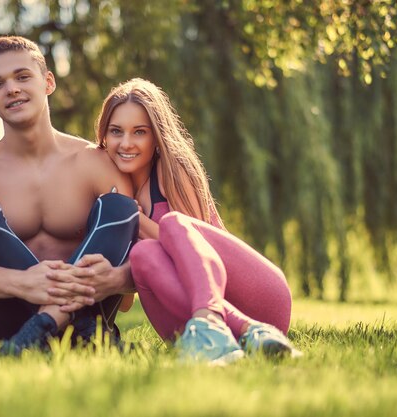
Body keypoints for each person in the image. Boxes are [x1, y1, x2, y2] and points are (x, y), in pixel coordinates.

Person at [0, 36, 139, 354]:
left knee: (120, 206)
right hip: (3, 337)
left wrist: (115, 279)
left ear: (48, 82)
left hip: (88, 333)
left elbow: (127, 296)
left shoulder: (98, 164)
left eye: (23, 76)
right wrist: (23, 283)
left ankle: (71, 330)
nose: (12, 88)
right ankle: (33, 336)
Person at [93, 78, 300, 364]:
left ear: (156, 137)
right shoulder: (114, 191)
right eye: (116, 131)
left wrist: (136, 220)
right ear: (104, 136)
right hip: (189, 321)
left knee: (174, 223)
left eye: (139, 132)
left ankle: (221, 323)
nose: (126, 143)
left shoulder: (173, 170)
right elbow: (128, 302)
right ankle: (239, 333)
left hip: (255, 296)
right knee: (142, 255)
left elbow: (198, 258)